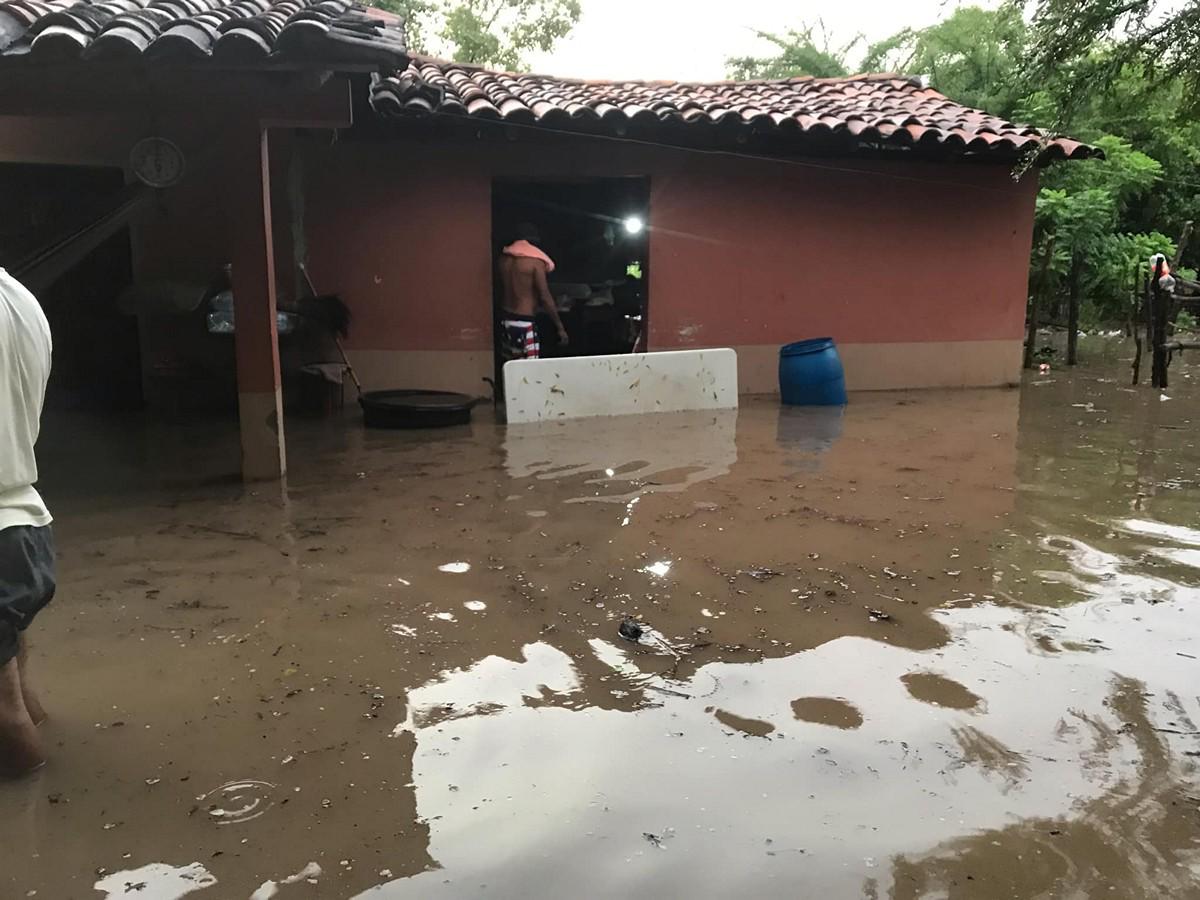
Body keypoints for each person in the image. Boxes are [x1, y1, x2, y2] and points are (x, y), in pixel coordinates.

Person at [0, 268, 55, 777]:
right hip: (29, 527)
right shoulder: (21, 299)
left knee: (4, 715)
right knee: (19, 690)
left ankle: (37, 831)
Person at [498, 223, 568, 361]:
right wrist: (560, 326)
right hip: (525, 321)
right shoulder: (535, 263)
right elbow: (544, 296)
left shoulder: (503, 260)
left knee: (510, 369)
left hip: (506, 319)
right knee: (530, 372)